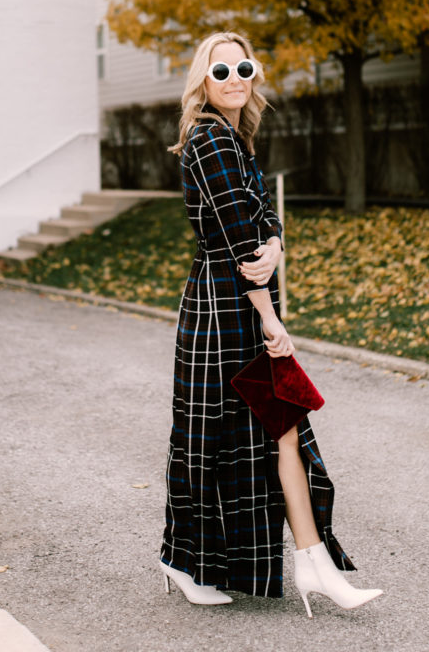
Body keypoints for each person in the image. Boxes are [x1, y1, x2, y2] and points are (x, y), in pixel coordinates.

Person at [159, 31, 383, 617]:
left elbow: (263, 213)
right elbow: (238, 237)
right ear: (202, 81)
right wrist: (270, 320)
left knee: (276, 432)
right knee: (220, 438)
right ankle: (188, 561)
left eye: (244, 68)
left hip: (238, 304)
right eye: (220, 71)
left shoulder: (236, 140)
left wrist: (279, 241)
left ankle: (314, 565)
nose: (234, 79)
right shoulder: (208, 141)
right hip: (225, 312)